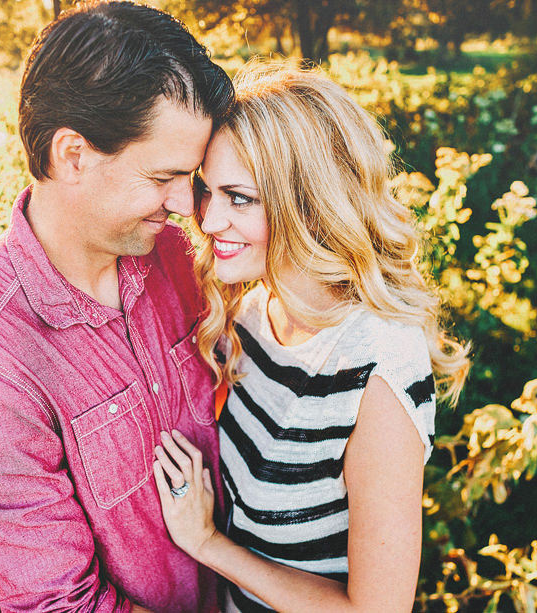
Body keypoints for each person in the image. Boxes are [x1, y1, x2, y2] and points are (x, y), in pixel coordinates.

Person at [0, 3, 232, 612]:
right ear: (72, 154)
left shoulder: (175, 255)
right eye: (162, 177)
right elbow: (62, 606)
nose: (187, 206)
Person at [151, 63, 470, 612]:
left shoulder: (377, 369)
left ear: (308, 201)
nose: (209, 220)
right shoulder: (253, 312)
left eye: (239, 197)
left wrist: (207, 544)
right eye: (208, 191)